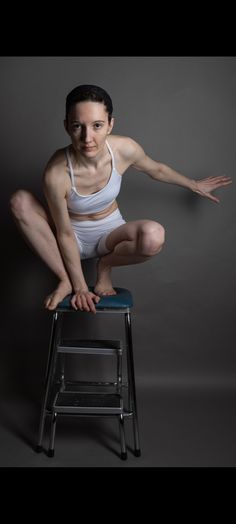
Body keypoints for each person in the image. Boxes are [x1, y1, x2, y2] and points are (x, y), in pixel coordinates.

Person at [10, 84, 232, 314]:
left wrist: (193, 185)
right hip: (70, 238)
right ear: (67, 126)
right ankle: (64, 279)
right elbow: (64, 232)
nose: (88, 137)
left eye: (97, 126)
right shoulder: (56, 173)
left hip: (110, 234)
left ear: (110, 124)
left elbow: (156, 170)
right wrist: (80, 287)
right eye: (78, 126)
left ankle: (105, 265)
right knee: (20, 201)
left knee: (154, 236)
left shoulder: (123, 149)